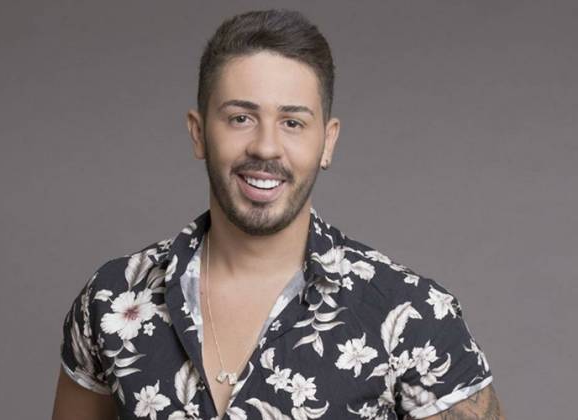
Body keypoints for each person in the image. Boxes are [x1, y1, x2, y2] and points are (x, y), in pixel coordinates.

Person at [52, 9, 504, 420]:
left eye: (292, 123)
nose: (266, 147)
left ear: (327, 142)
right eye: (240, 118)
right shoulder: (113, 298)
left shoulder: (412, 314)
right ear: (198, 133)